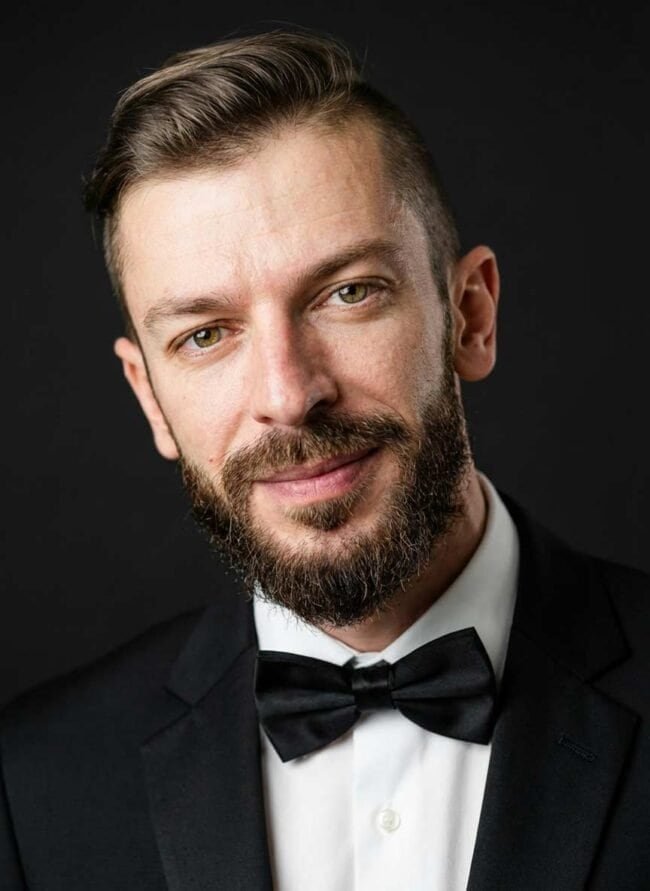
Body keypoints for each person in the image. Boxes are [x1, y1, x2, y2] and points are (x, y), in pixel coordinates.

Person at [1, 29, 648, 891]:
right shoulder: (31, 787)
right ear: (149, 395)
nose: (289, 391)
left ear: (471, 314)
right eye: (204, 335)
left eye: (348, 292)